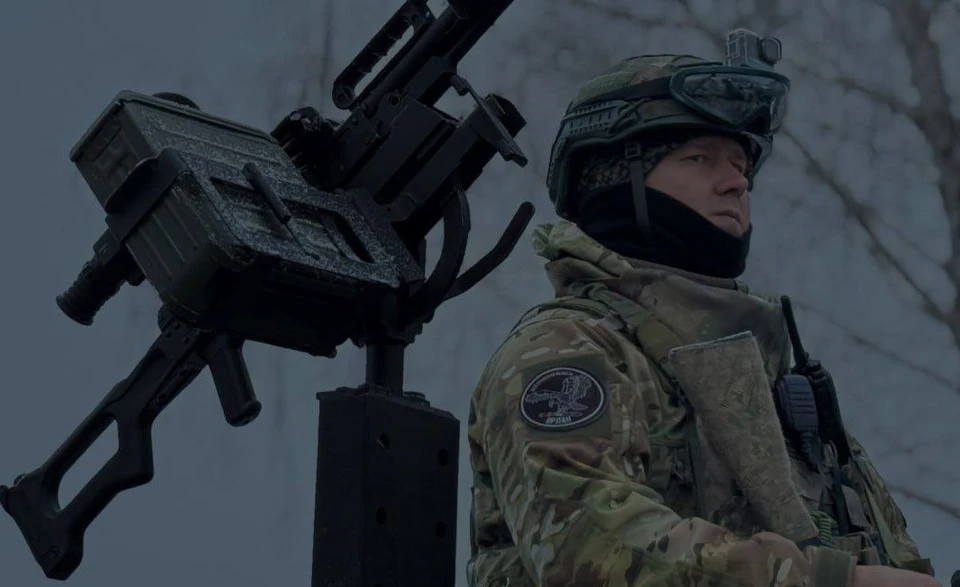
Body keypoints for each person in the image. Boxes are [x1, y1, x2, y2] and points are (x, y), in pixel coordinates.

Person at [464, 49, 939, 587]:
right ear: (615, 176)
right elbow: (587, 548)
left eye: (740, 165)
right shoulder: (565, 352)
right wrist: (833, 582)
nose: (737, 183)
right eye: (699, 159)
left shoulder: (775, 389)